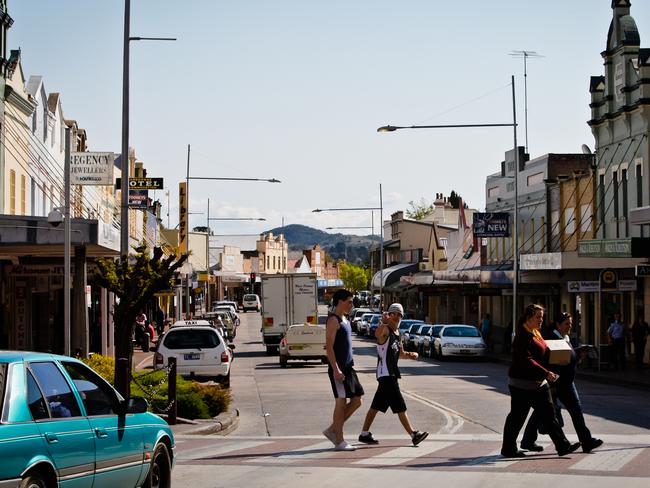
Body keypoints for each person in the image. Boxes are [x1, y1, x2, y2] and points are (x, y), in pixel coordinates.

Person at [501, 304, 581, 458]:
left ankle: (562, 446)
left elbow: (544, 352)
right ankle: (508, 449)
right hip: (522, 384)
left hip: (538, 383)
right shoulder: (522, 335)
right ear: (528, 317)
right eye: (538, 317)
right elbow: (526, 360)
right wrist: (546, 372)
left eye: (542, 317)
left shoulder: (535, 332)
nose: (541, 320)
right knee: (517, 417)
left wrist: (568, 356)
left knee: (549, 415)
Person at [521, 312, 603, 453]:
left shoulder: (564, 337)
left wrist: (577, 356)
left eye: (570, 323)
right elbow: (551, 359)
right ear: (558, 324)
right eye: (566, 324)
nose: (569, 326)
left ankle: (586, 441)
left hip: (566, 381)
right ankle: (529, 440)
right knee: (547, 411)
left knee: (570, 411)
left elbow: (565, 358)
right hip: (556, 382)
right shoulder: (550, 338)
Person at [358, 303, 429, 447]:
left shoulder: (397, 334)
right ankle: (413, 434)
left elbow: (400, 353)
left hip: (390, 374)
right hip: (386, 375)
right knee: (400, 406)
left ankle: (364, 434)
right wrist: (383, 322)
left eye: (399, 314)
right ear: (388, 315)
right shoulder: (386, 330)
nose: (396, 317)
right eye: (393, 314)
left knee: (376, 406)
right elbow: (378, 335)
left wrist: (411, 355)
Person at [323, 289, 364, 451]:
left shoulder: (345, 319)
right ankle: (339, 440)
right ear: (340, 302)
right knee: (341, 403)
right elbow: (329, 348)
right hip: (339, 369)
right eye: (349, 301)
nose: (352, 304)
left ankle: (333, 429)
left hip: (349, 368)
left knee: (357, 400)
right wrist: (336, 370)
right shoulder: (333, 321)